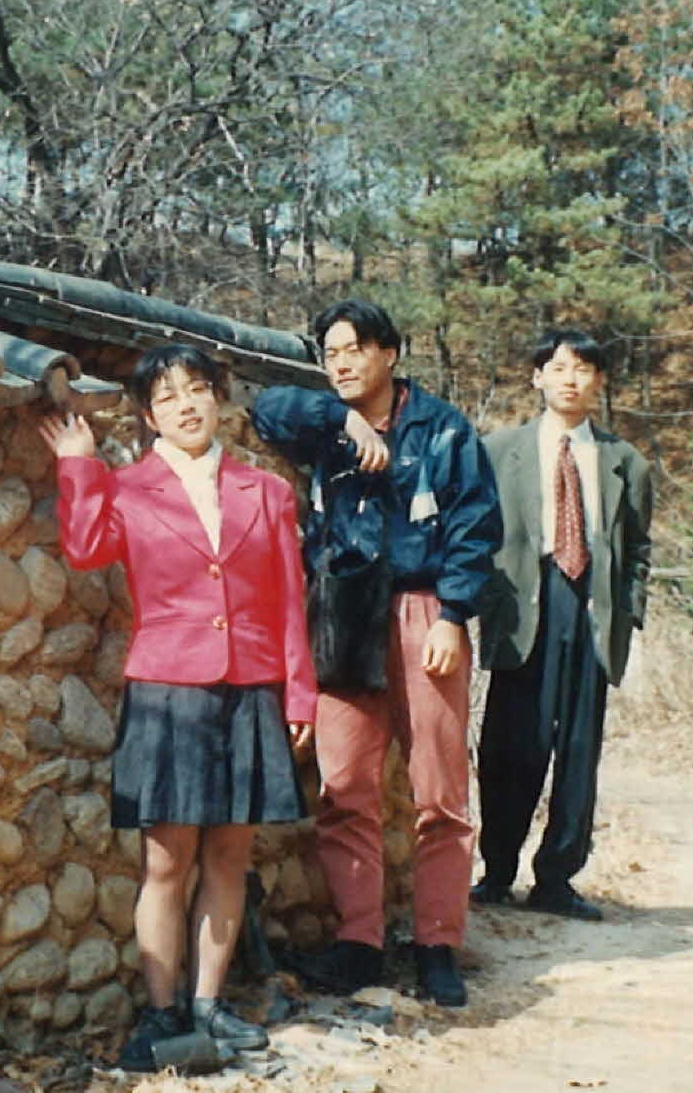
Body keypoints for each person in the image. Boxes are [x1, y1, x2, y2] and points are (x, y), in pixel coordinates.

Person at [40, 344, 315, 1070]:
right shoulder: (128, 488)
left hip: (251, 685)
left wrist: (299, 689)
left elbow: (290, 598)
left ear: (219, 397)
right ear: (147, 413)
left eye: (198, 389)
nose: (187, 405)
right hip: (167, 689)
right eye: (167, 396)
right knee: (167, 860)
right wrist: (80, 464)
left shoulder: (268, 491)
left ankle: (209, 1005)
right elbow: (85, 548)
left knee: (230, 853)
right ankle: (163, 1012)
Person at [251, 300, 501, 1008]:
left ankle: (437, 943)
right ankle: (359, 941)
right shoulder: (325, 427)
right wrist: (340, 419)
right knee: (344, 786)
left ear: (390, 352)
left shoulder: (444, 430)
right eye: (330, 352)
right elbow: (266, 408)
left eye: (355, 348)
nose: (342, 363)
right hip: (344, 612)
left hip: (424, 608)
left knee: (440, 789)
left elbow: (476, 525)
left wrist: (454, 614)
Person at [472, 328, 652, 922]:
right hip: (522, 605)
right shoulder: (498, 451)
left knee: (578, 749)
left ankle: (557, 878)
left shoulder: (623, 461)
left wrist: (630, 614)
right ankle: (496, 871)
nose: (569, 378)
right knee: (509, 747)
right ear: (537, 377)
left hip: (591, 607)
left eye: (583, 368)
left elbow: (638, 548)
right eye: (558, 367)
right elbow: (473, 531)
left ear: (598, 381)